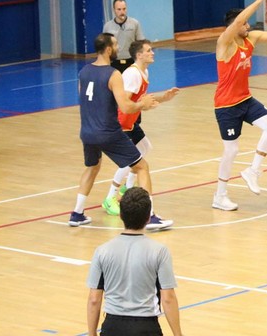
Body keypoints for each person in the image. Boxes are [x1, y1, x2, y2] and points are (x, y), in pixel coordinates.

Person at [69, 33, 171, 231]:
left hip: (87, 131)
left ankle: (77, 213)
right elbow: (125, 107)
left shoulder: (84, 72)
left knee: (92, 168)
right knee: (142, 167)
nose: (117, 48)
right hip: (108, 131)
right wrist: (143, 103)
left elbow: (84, 100)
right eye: (115, 45)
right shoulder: (113, 74)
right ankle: (150, 217)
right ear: (108, 49)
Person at [212, 0, 267, 211]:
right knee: (231, 150)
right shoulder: (224, 43)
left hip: (245, 100)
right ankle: (219, 196)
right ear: (234, 25)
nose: (248, 26)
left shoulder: (249, 39)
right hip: (226, 105)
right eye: (244, 24)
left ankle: (253, 170)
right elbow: (240, 19)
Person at [87, 187, 183, 336]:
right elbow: (168, 298)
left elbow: (94, 299)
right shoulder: (159, 251)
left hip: (112, 326)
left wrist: (92, 333)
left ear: (120, 215)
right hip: (146, 327)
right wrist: (178, 334)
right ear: (148, 217)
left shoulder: (102, 251)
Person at [102, 39, 180, 217]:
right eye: (149, 50)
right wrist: (143, 106)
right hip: (121, 122)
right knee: (129, 160)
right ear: (139, 55)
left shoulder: (144, 71)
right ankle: (110, 198)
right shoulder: (133, 74)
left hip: (131, 121)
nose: (152, 53)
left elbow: (142, 99)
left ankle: (128, 188)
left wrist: (164, 98)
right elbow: (124, 102)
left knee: (145, 147)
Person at [103, 0, 145, 73]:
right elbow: (105, 47)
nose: (122, 12)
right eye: (119, 9)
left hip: (131, 61)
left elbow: (141, 43)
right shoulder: (107, 26)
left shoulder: (135, 23)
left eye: (124, 9)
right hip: (114, 62)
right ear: (114, 10)